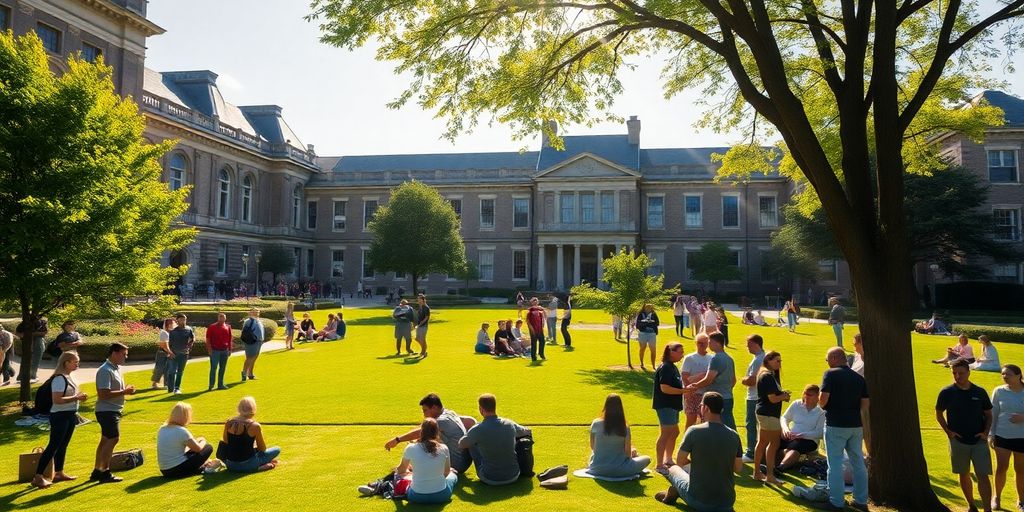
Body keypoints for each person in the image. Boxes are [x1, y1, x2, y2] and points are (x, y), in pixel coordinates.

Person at [654, 392, 743, 511]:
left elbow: (680, 461)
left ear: (705, 408)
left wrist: (699, 465)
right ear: (721, 410)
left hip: (698, 500)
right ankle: (674, 491)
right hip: (726, 502)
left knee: (673, 469)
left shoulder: (694, 431)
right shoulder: (734, 435)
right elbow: (738, 467)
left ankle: (672, 493)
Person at [936, 360, 993, 512]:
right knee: (963, 473)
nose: (958, 376)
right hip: (958, 441)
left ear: (969, 372)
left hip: (979, 441)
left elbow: (989, 414)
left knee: (983, 474)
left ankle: (987, 509)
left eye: (961, 373)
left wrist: (985, 433)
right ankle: (971, 505)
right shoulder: (946, 392)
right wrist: (949, 432)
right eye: (954, 373)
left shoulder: (979, 392)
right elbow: (939, 413)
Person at [819, 346, 869, 511]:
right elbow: (865, 405)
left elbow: (823, 400)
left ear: (834, 358)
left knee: (834, 464)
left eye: (827, 360)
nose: (827, 363)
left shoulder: (830, 374)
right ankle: (861, 500)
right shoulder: (859, 378)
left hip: (835, 424)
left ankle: (836, 501)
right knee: (858, 463)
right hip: (855, 425)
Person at [31, 352, 88, 489]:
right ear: (66, 363)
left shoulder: (69, 377)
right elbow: (56, 400)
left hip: (70, 414)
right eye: (75, 362)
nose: (77, 364)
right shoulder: (58, 379)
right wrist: (76, 398)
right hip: (60, 415)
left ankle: (59, 473)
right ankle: (37, 476)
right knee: (53, 445)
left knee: (63, 445)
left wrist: (76, 398)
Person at [384, 393, 475, 473]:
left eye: (425, 410)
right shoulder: (450, 413)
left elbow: (421, 431)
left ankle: (407, 468)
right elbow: (470, 420)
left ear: (434, 407)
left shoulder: (443, 421)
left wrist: (398, 440)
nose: (424, 414)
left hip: (457, 465)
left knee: (419, 444)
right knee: (423, 440)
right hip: (464, 461)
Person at [458, 394, 531, 485]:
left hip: (489, 478)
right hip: (513, 475)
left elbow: (461, 444)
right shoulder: (509, 424)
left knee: (471, 444)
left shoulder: (477, 429)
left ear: (481, 409)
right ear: (494, 407)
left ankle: (459, 468)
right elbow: (526, 431)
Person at [91, 342, 135, 483]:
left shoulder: (115, 368)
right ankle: (105, 472)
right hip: (107, 410)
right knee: (113, 438)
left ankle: (97, 471)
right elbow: (103, 394)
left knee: (105, 439)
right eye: (124, 354)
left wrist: (125, 390)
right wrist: (124, 391)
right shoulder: (105, 370)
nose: (125, 357)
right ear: (114, 353)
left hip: (112, 409)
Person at [396, 418, 459, 503]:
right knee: (453, 476)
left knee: (405, 479)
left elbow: (401, 470)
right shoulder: (444, 448)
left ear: (421, 432)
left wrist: (409, 472)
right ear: (437, 432)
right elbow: (446, 472)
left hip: (416, 496)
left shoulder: (410, 448)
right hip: (441, 496)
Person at [588, 393, 652, 478]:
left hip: (597, 468)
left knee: (593, 455)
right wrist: (632, 451)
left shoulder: (596, 423)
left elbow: (593, 447)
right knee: (647, 458)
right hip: (620, 470)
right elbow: (628, 454)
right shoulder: (624, 427)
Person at [989, 364, 1024, 512]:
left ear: (1018, 376)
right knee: (1001, 467)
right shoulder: (999, 391)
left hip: (1022, 438)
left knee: (1021, 469)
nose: (1004, 377)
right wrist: (991, 434)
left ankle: (1021, 500)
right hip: (1002, 435)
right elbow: (993, 413)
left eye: (1008, 374)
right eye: (1003, 374)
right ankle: (996, 497)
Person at [685, 332, 737, 430]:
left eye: (710, 342)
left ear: (717, 343)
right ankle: (734, 444)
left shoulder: (716, 359)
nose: (708, 344)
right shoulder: (729, 358)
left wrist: (694, 386)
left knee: (714, 427)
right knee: (728, 425)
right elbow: (733, 380)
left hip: (715, 399)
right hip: (728, 397)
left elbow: (708, 379)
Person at [753, 351, 790, 484]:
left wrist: (782, 394)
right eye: (777, 361)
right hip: (769, 414)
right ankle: (769, 475)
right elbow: (772, 399)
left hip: (764, 413)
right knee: (774, 443)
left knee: (762, 442)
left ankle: (757, 472)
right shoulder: (767, 376)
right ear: (768, 360)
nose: (779, 364)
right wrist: (784, 397)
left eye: (780, 361)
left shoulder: (766, 374)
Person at [221, 397, 281, 472]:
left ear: (239, 408)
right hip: (249, 464)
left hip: (230, 464)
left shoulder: (229, 422)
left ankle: (257, 466)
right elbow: (262, 449)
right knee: (277, 449)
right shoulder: (255, 425)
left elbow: (226, 441)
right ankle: (258, 468)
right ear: (253, 408)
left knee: (253, 451)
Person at [157, 402, 214, 478]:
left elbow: (179, 447)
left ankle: (199, 467)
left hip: (165, 470)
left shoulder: (162, 428)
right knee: (208, 447)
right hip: (177, 469)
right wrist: (203, 441)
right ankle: (199, 468)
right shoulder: (181, 431)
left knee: (192, 452)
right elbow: (198, 449)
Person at [778, 384, 826, 472]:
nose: (806, 397)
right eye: (805, 394)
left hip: (809, 440)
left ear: (817, 396)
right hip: (791, 436)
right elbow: (784, 418)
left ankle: (780, 467)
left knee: (794, 449)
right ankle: (792, 461)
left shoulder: (821, 411)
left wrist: (802, 435)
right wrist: (786, 429)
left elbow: (820, 433)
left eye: (809, 395)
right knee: (774, 441)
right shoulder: (796, 404)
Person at [653, 342, 685, 473]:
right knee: (666, 433)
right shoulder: (665, 367)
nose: (682, 355)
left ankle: (668, 459)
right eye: (680, 352)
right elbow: (664, 388)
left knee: (674, 432)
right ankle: (660, 464)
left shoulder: (673, 367)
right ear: (671, 352)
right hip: (665, 405)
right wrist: (683, 391)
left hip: (672, 405)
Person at [740, 334, 767, 462]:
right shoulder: (764, 356)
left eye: (749, 344)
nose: (747, 347)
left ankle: (751, 452)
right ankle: (761, 451)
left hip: (754, 396)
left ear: (756, 344)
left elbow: (751, 381)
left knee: (751, 424)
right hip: (762, 396)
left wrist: (743, 380)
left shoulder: (757, 360)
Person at [681, 333, 714, 429]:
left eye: (704, 343)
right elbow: (685, 376)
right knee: (691, 420)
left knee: (705, 421)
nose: (702, 345)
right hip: (692, 394)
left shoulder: (712, 358)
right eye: (699, 343)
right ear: (696, 343)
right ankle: (687, 441)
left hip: (706, 394)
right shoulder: (689, 358)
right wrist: (689, 391)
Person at [166, 313, 194, 394]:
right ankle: (170, 388)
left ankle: (177, 388)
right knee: (171, 372)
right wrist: (170, 353)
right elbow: (168, 344)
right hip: (173, 354)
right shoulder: (173, 331)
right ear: (177, 320)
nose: (183, 321)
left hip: (184, 354)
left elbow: (192, 338)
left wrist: (189, 346)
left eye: (184, 319)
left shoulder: (189, 329)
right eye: (181, 319)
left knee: (180, 372)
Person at [16, 316, 48, 384]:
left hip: (38, 342)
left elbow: (45, 332)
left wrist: (34, 334)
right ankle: (25, 376)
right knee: (28, 360)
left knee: (35, 360)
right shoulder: (25, 323)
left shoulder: (41, 322)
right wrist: (30, 335)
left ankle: (31, 376)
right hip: (28, 342)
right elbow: (18, 333)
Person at [205, 313, 232, 391]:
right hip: (215, 350)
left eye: (223, 317)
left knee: (222, 368)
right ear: (218, 318)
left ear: (225, 318)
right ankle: (211, 385)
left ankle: (220, 384)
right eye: (220, 317)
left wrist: (230, 349)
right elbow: (208, 339)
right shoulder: (212, 327)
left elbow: (229, 338)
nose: (222, 319)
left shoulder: (228, 327)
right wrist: (209, 350)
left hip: (225, 350)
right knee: (213, 368)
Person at [240, 309, 265, 381]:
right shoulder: (248, 321)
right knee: (249, 358)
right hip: (251, 341)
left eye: (257, 312)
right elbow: (245, 332)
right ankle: (244, 373)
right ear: (250, 313)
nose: (256, 313)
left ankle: (250, 374)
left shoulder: (259, 320)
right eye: (254, 312)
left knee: (254, 358)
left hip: (259, 341)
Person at [151, 318, 175, 389]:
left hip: (167, 353)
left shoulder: (171, 332)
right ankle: (154, 384)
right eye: (171, 323)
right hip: (162, 353)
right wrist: (170, 352)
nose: (173, 325)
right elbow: (163, 346)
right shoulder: (164, 333)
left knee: (167, 369)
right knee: (159, 369)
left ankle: (166, 384)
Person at [637, 303, 660, 371]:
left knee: (653, 349)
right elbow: (638, 325)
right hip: (643, 333)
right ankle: (641, 363)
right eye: (647, 307)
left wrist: (651, 322)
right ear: (644, 308)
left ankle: (653, 365)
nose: (648, 309)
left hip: (652, 334)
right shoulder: (641, 315)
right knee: (642, 348)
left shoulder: (654, 314)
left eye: (650, 308)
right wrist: (645, 322)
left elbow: (657, 323)